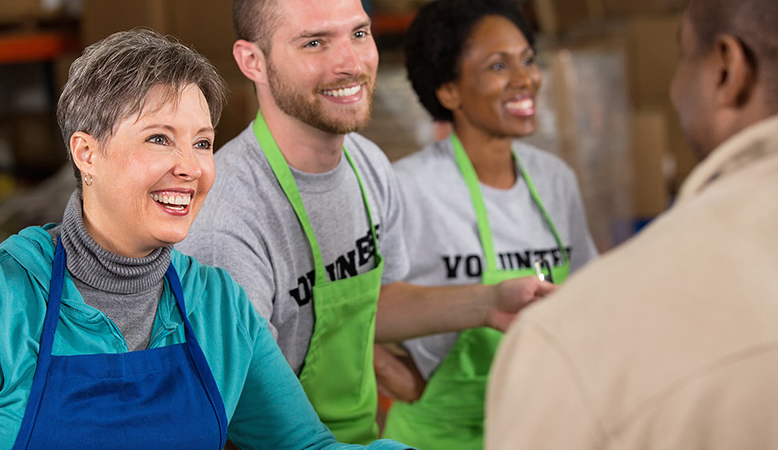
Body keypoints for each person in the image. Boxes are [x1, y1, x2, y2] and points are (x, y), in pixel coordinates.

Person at [0, 29, 414, 450]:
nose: (191, 167)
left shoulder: (218, 306)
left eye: (202, 143)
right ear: (86, 153)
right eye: (159, 138)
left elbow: (303, 445)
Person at [176, 0, 556, 444]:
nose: (351, 63)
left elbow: (376, 300)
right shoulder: (228, 218)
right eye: (315, 42)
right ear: (252, 61)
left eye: (359, 34)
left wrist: (489, 303)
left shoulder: (368, 165)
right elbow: (243, 405)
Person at [485, 0, 778, 448]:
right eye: (497, 65)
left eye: (683, 56)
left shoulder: (571, 344)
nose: (524, 78)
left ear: (726, 69)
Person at [380, 1, 597, 448]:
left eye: (528, 60)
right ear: (449, 92)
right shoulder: (408, 188)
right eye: (499, 65)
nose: (526, 80)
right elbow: (353, 312)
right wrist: (398, 377)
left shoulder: (555, 180)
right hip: (442, 437)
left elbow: (585, 295)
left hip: (539, 430)